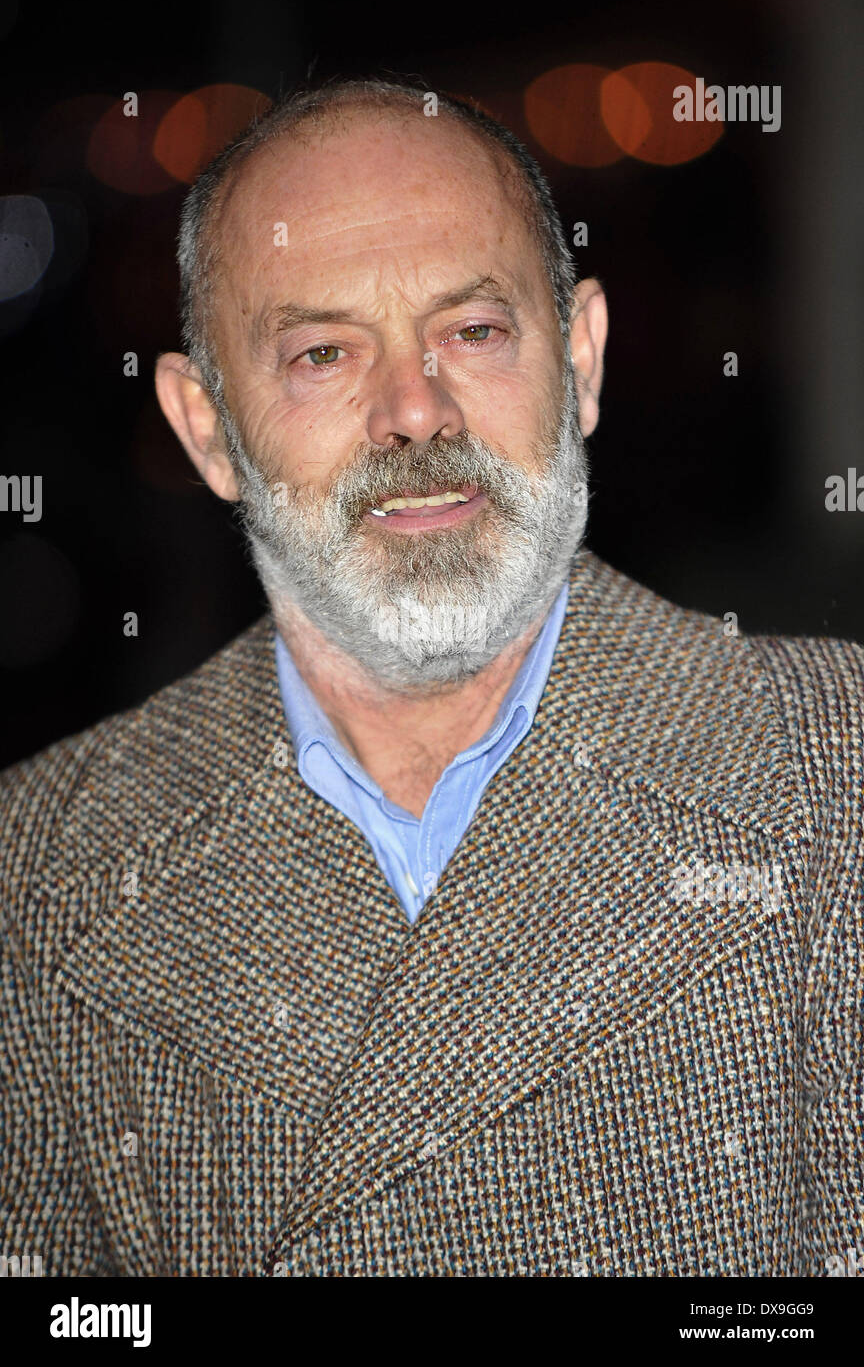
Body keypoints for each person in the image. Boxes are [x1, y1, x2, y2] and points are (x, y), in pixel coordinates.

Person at [1, 78, 861, 1278]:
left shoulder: (840, 769)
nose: (414, 410)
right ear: (208, 432)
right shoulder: (37, 873)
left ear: (583, 360)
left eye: (473, 331)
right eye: (321, 352)